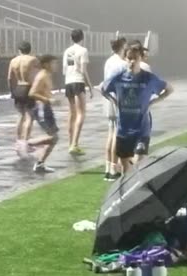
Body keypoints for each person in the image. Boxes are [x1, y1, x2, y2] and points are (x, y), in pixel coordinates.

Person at [102, 43, 173, 175]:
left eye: (135, 58)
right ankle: (127, 191)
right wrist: (115, 102)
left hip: (141, 129)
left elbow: (169, 89)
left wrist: (154, 101)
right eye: (129, 58)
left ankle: (140, 181)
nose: (132, 61)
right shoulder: (118, 77)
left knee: (139, 161)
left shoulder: (149, 78)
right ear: (125, 59)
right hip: (123, 130)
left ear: (141, 58)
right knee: (125, 168)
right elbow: (103, 89)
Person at [27, 52, 61, 173]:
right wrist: (48, 100)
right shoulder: (42, 75)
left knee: (54, 138)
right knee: (54, 137)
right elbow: (32, 93)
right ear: (46, 64)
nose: (56, 65)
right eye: (54, 63)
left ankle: (40, 164)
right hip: (42, 108)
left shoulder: (47, 75)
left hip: (47, 108)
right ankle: (28, 143)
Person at [100, 36, 128, 179]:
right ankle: (113, 169)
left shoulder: (108, 61)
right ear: (122, 47)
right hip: (118, 99)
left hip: (108, 99)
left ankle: (108, 167)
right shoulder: (122, 64)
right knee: (117, 134)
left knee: (111, 133)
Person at [62, 28, 91, 155]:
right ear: (82, 38)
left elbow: (65, 69)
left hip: (68, 81)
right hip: (78, 81)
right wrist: (89, 85)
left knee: (71, 113)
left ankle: (70, 143)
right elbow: (83, 70)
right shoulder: (83, 51)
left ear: (71, 38)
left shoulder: (67, 51)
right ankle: (75, 144)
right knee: (81, 113)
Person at [7, 42, 38, 157]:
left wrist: (12, 91)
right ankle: (26, 143)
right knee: (29, 117)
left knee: (20, 116)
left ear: (19, 50)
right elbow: (37, 76)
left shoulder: (13, 61)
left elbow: (9, 78)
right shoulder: (33, 60)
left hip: (18, 87)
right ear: (30, 50)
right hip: (28, 87)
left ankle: (17, 142)